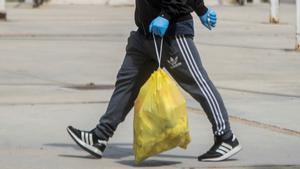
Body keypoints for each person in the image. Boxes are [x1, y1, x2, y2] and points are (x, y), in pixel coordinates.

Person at [67, 0, 242, 162]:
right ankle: (100, 136)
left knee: (198, 84)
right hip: (145, 33)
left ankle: (226, 138)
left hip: (172, 34)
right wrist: (201, 8)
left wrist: (171, 14)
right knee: (126, 83)